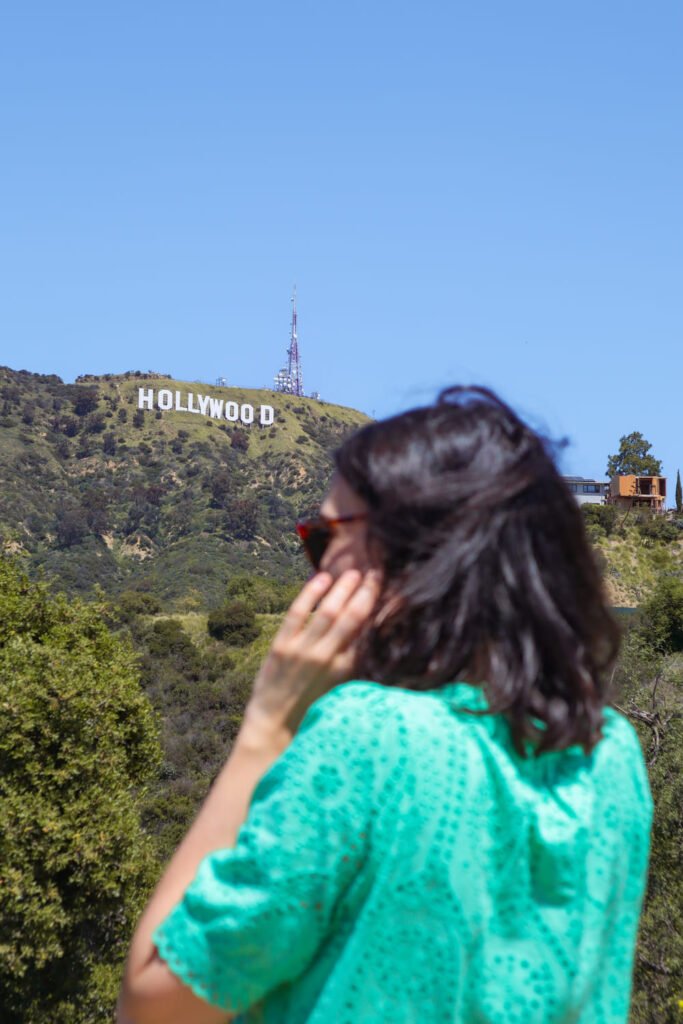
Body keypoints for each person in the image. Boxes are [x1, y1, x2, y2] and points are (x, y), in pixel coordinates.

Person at [118, 386, 652, 1024]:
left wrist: (265, 730)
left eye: (322, 539)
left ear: (418, 554)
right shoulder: (612, 756)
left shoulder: (366, 737)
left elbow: (154, 1003)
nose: (315, 574)